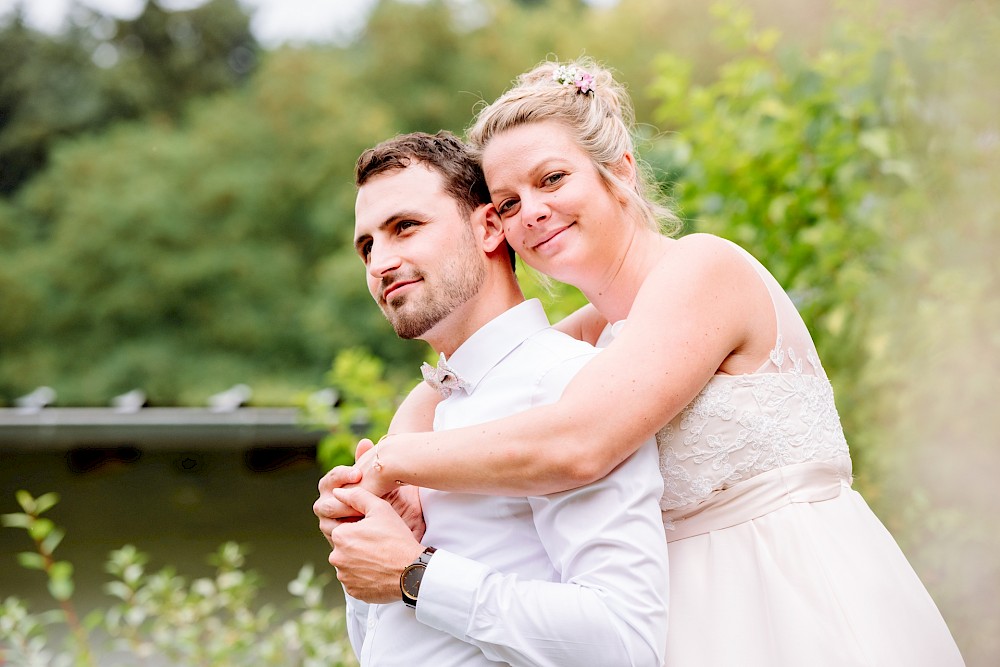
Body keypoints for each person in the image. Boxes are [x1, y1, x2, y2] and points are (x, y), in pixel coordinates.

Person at [318, 60, 965, 666]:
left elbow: (581, 439)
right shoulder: (587, 336)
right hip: (681, 616)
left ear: (620, 170)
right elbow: (478, 368)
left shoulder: (705, 270)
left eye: (551, 179)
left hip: (788, 587)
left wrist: (392, 463)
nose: (532, 211)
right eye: (509, 202)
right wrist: (382, 473)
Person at [320, 130, 670, 667]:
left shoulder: (566, 387)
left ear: (487, 227)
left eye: (405, 227)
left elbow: (623, 643)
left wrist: (419, 575)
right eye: (367, 245)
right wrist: (378, 543)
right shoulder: (421, 419)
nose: (380, 262)